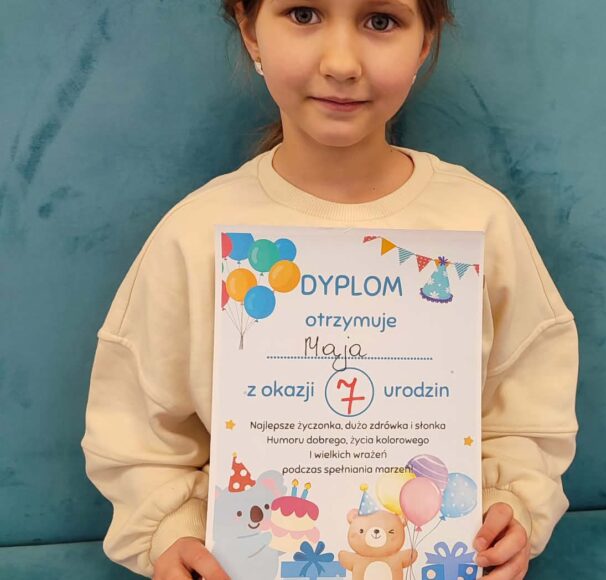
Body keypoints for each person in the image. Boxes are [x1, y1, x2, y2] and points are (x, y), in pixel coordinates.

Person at [81, 1, 579, 578]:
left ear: (424, 42)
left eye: (381, 21)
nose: (342, 63)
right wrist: (172, 532)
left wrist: (509, 507)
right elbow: (136, 434)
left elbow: (528, 408)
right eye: (303, 14)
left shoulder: (479, 223)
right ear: (250, 31)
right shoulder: (195, 237)